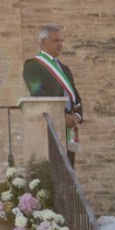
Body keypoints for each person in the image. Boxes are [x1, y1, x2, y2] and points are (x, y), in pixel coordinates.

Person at [23, 24, 83, 164]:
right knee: (52, 168)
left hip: (69, 128)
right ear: (43, 42)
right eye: (56, 40)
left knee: (68, 170)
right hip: (48, 126)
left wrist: (77, 116)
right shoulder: (32, 65)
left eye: (61, 40)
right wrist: (62, 116)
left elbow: (76, 97)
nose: (60, 44)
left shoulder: (65, 69)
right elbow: (37, 93)